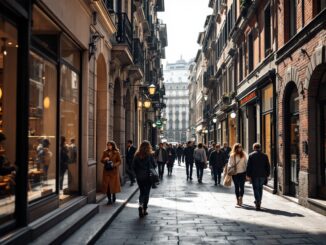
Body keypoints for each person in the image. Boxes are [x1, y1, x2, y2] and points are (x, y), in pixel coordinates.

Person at [132, 140, 155, 218]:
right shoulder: (150, 155)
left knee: (142, 192)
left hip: (139, 177)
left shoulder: (137, 155)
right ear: (149, 147)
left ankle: (140, 204)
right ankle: (144, 210)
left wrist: (137, 174)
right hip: (148, 177)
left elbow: (133, 166)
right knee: (147, 193)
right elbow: (154, 165)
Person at [246, 143, 270, 210]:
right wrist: (268, 175)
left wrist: (248, 175)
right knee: (260, 188)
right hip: (262, 175)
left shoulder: (251, 155)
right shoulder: (265, 155)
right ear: (260, 148)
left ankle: (258, 202)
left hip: (254, 175)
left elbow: (248, 166)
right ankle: (259, 201)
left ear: (254, 148)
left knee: (256, 188)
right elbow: (268, 166)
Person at [101, 141, 121, 205]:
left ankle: (114, 195)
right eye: (107, 145)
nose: (108, 146)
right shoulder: (105, 152)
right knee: (107, 186)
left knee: (113, 186)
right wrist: (105, 159)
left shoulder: (116, 152)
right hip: (106, 171)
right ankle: (109, 199)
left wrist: (114, 165)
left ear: (113, 145)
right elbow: (101, 160)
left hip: (113, 172)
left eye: (110, 145)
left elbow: (119, 161)